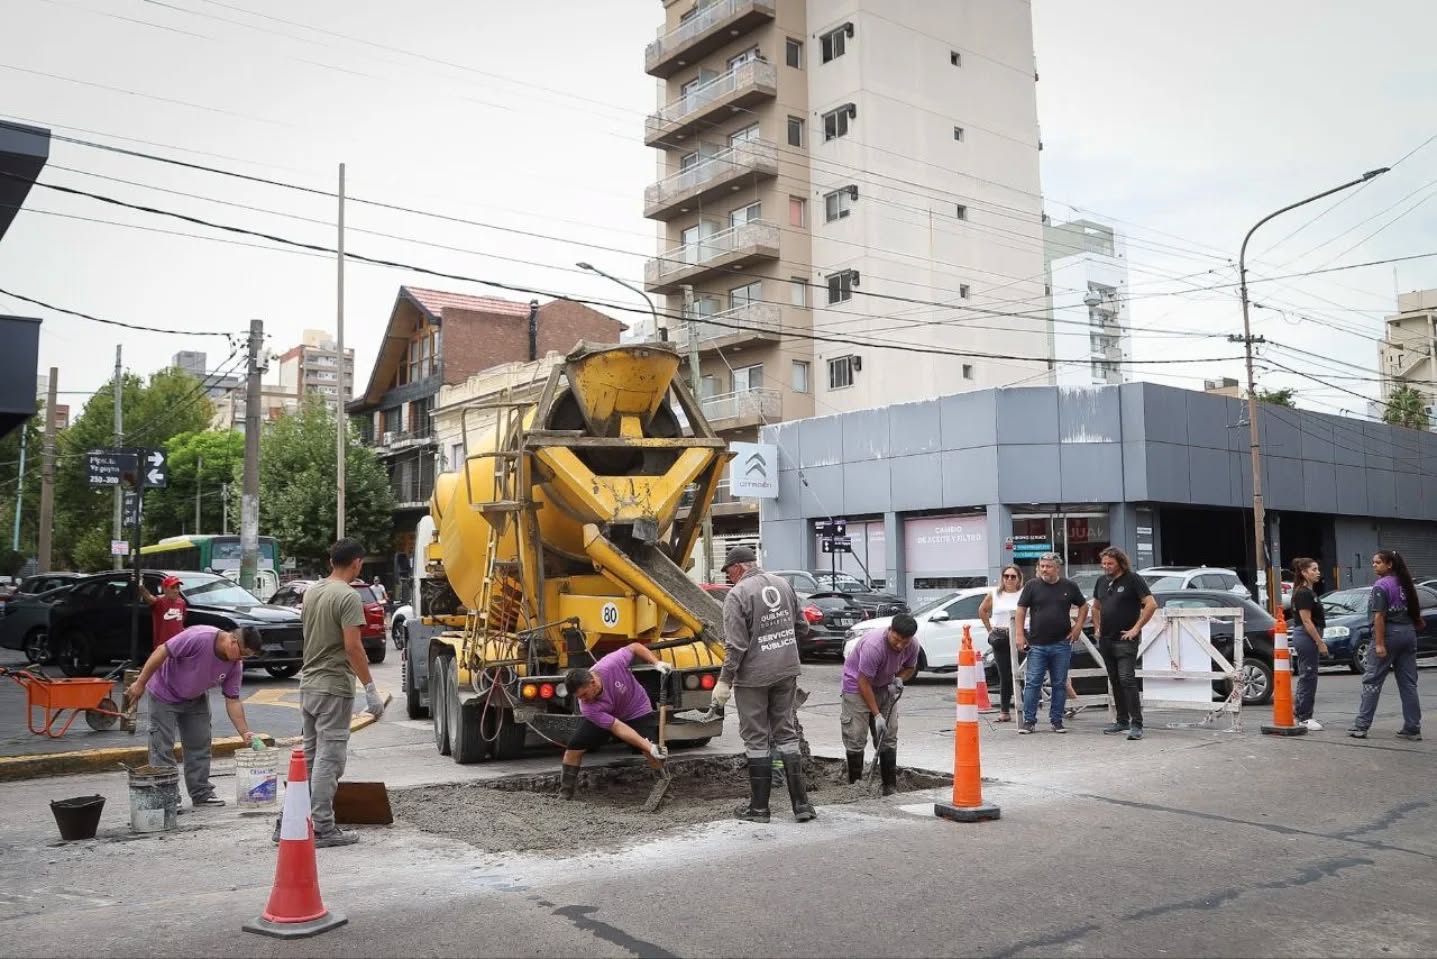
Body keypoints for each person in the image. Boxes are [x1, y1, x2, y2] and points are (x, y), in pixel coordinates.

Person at [707, 546, 815, 824]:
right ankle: (802, 806)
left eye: (730, 572)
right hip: (786, 671)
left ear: (740, 567)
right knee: (786, 733)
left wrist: (724, 680)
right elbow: (802, 628)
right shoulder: (783, 584)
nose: (730, 578)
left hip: (753, 677)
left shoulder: (737, 595)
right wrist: (783, 651)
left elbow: (736, 645)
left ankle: (759, 809)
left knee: (756, 738)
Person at [293, 538, 386, 847]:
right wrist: (370, 689)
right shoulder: (347, 596)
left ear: (331, 560)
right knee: (328, 760)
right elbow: (353, 646)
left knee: (310, 757)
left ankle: (293, 821)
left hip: (309, 685)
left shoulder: (312, 591)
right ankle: (321, 827)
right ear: (357, 563)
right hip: (333, 687)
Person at [125, 624, 263, 808]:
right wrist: (140, 683)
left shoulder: (235, 665)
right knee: (162, 746)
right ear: (232, 641)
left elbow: (233, 700)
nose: (242, 659)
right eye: (243, 653)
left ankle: (201, 793)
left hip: (195, 697)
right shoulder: (199, 637)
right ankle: (168, 797)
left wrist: (245, 732)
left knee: (200, 744)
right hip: (164, 693)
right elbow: (162, 650)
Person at [558, 643, 672, 800]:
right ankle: (565, 794)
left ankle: (664, 792)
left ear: (593, 682)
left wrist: (656, 663)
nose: (582, 700)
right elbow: (617, 727)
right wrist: (649, 746)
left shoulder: (611, 664)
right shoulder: (587, 707)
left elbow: (635, 647)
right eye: (579, 697)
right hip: (608, 715)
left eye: (584, 694)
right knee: (574, 748)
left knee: (652, 751)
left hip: (635, 707)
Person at [840, 614, 920, 795]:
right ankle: (856, 786)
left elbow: (910, 667)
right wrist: (876, 715)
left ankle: (889, 786)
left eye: (904, 642)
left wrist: (899, 678)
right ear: (890, 630)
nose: (900, 645)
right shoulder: (874, 646)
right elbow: (863, 682)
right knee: (856, 735)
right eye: (896, 639)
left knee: (888, 735)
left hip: (884, 686)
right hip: (856, 686)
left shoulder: (912, 645)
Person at [1349, 550, 1423, 741]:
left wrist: (1380, 644)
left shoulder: (1381, 585)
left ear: (1389, 564)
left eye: (1378, 563)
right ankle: (1412, 727)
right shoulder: (1405, 583)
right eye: (1373, 562)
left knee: (1372, 681)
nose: (1374, 566)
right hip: (1408, 634)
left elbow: (1379, 616)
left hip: (1389, 635)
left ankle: (1361, 726)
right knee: (1408, 683)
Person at [1013, 552, 1088, 735]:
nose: (1044, 570)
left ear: (1057, 568)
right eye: (1041, 566)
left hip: (1062, 642)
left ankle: (1057, 720)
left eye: (1048, 566)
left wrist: (1078, 626)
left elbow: (1084, 606)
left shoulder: (1069, 586)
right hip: (1037, 643)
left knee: (1059, 683)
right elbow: (1021, 609)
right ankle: (1029, 721)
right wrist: (1019, 634)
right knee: (1033, 683)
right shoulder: (1032, 585)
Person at [1091, 547, 1158, 741]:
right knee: (1115, 680)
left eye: (1110, 563)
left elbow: (1151, 604)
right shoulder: (1101, 581)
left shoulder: (1133, 579)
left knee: (1127, 678)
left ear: (1120, 562)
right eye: (1103, 563)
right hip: (1106, 638)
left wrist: (1136, 628)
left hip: (1125, 639)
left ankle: (1136, 723)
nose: (1106, 567)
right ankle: (1122, 720)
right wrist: (1097, 627)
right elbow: (1095, 607)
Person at [979, 566, 1024, 722]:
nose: (1009, 579)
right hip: (1000, 635)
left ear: (1019, 578)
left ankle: (1026, 707)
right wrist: (990, 630)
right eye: (1006, 576)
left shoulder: (1024, 593)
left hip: (1020, 635)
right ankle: (1004, 710)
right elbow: (982, 610)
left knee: (1022, 673)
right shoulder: (995, 594)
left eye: (1013, 576)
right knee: (1004, 674)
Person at [1289, 557, 1329, 732]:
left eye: (1317, 569)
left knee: (1308, 676)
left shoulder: (1309, 592)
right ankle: (1304, 717)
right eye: (1313, 569)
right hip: (1306, 637)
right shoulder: (1303, 593)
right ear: (1304, 572)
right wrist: (1320, 642)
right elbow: (1306, 621)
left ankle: (1300, 714)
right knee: (1308, 676)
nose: (1317, 572)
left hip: (1309, 636)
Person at [140, 575, 188, 650]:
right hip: (163, 647)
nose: (176, 591)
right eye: (172, 588)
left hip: (178, 645)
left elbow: (182, 620)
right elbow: (148, 597)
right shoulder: (159, 601)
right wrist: (140, 585)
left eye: (177, 587)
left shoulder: (182, 602)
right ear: (165, 589)